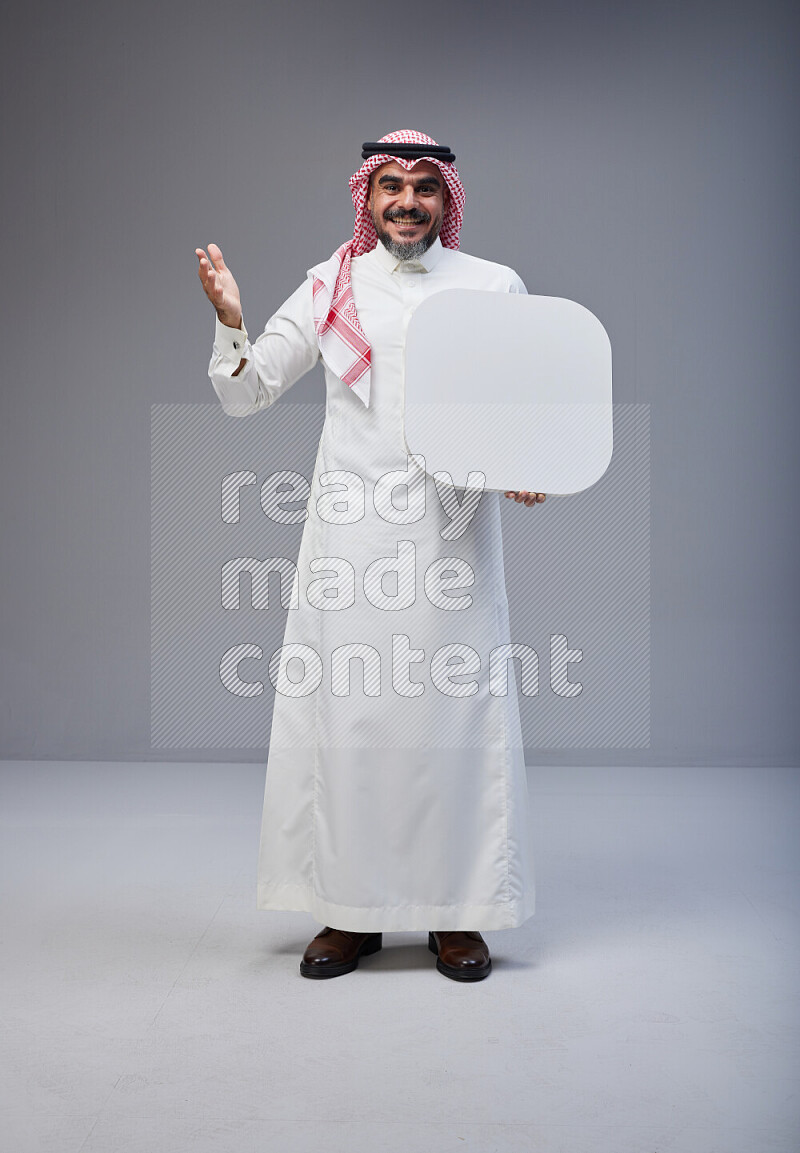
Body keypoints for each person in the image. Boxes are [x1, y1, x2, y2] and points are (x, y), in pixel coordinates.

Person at [196, 130, 545, 982]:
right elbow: (249, 392)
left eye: (425, 187)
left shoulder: (493, 286)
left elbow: (527, 399)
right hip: (350, 540)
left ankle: (457, 916)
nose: (407, 202)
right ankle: (348, 913)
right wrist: (231, 319)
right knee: (350, 726)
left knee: (452, 726)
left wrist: (531, 461)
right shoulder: (331, 282)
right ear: (367, 194)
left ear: (446, 199)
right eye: (390, 184)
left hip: (453, 539)